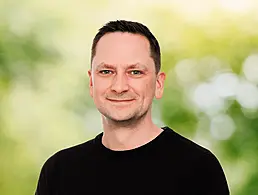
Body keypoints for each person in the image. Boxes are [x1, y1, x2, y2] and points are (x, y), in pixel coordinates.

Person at [35, 20, 230, 194]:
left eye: (135, 72)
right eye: (106, 71)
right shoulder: (59, 172)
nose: (119, 86)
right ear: (91, 83)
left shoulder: (199, 169)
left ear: (158, 84)